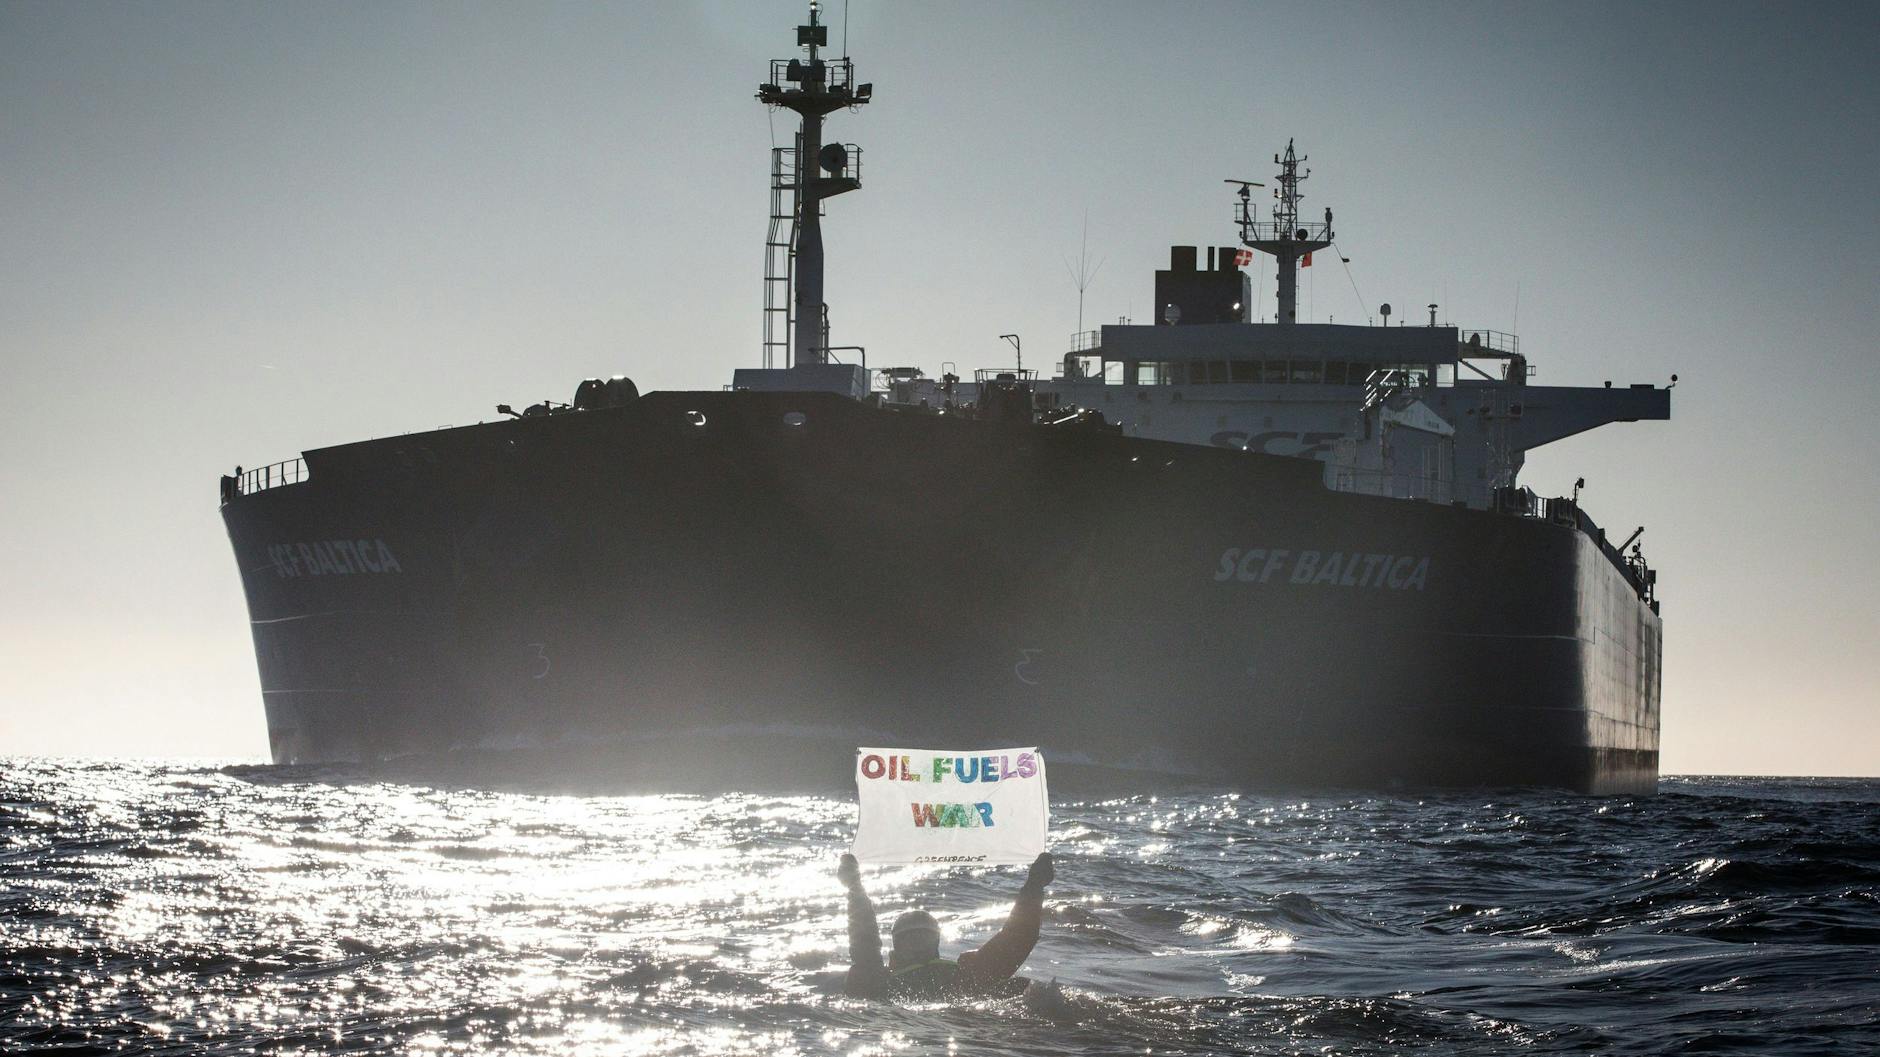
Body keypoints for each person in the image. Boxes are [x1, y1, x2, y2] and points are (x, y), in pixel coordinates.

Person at [838, 851, 1054, 1000]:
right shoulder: (881, 981)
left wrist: (1035, 885)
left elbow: (1016, 938)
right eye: (910, 938)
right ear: (897, 945)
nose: (917, 944)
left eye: (923, 937)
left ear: (936, 941)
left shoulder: (965, 975)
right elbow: (864, 939)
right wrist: (854, 887)